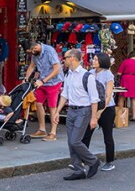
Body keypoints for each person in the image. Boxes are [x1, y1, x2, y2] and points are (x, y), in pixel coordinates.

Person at [57, 48, 100, 181]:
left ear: (72, 58)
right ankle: (78, 169)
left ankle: (93, 161)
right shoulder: (68, 74)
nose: (63, 60)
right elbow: (65, 94)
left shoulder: (87, 76)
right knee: (71, 142)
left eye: (65, 57)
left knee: (75, 141)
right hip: (71, 110)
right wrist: (57, 112)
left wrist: (94, 118)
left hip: (83, 110)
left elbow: (94, 99)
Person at [81, 53, 116, 172]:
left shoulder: (108, 74)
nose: (93, 61)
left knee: (107, 135)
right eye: (94, 59)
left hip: (107, 108)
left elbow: (108, 94)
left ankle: (110, 161)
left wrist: (100, 111)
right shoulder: (90, 73)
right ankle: (83, 159)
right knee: (86, 133)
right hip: (92, 106)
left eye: (96, 59)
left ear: (102, 61)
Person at [24, 42, 64, 141]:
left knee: (52, 106)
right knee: (38, 103)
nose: (32, 53)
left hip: (54, 81)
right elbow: (32, 66)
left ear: (36, 47)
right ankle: (42, 129)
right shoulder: (35, 53)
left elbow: (56, 70)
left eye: (32, 51)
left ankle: (53, 132)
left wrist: (43, 81)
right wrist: (26, 78)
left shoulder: (49, 51)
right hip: (42, 81)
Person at [117, 52, 135, 122]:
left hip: (126, 79)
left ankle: (120, 115)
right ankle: (133, 116)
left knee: (121, 97)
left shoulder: (125, 62)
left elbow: (119, 73)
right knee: (134, 98)